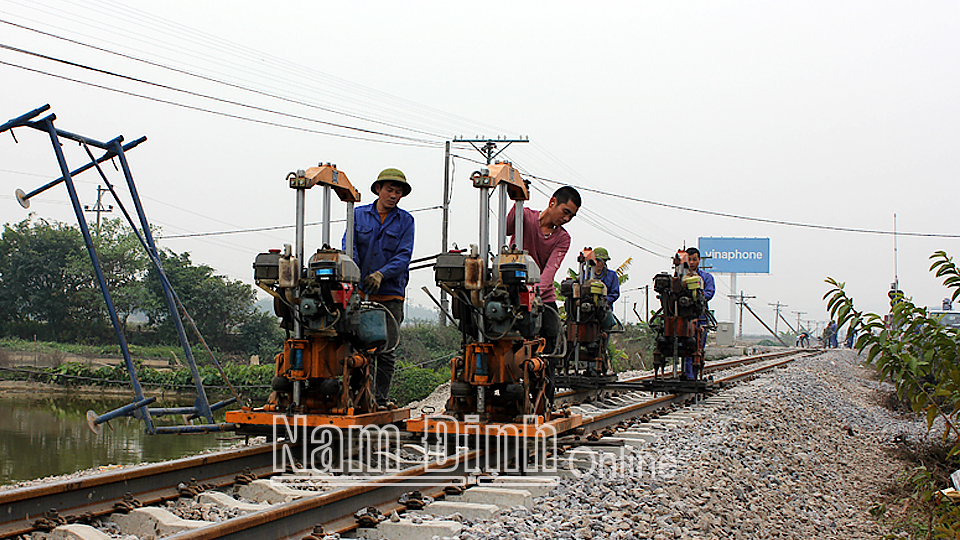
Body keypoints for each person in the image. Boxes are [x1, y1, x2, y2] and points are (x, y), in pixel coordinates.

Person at [344, 168, 414, 408]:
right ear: (378, 190)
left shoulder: (406, 221)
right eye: (389, 190)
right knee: (356, 346)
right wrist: (355, 275)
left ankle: (380, 399)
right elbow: (349, 246)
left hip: (391, 293)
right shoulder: (358, 215)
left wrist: (381, 274)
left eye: (398, 192)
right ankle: (357, 397)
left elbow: (404, 255)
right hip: (359, 293)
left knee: (386, 349)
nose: (393, 195)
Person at [506, 185, 581, 355]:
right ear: (552, 202)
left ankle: (547, 380)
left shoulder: (563, 238)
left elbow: (549, 272)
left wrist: (533, 293)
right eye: (565, 211)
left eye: (571, 216)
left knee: (551, 346)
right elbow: (506, 228)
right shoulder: (524, 216)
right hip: (511, 292)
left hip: (543, 297)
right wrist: (518, 201)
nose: (567, 218)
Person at [683, 247, 715, 379]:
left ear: (699, 260)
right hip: (683, 318)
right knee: (684, 346)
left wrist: (699, 296)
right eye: (689, 260)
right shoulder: (680, 277)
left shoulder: (706, 277)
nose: (691, 263)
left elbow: (709, 292)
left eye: (694, 259)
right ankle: (687, 374)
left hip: (700, 317)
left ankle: (692, 375)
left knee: (697, 346)